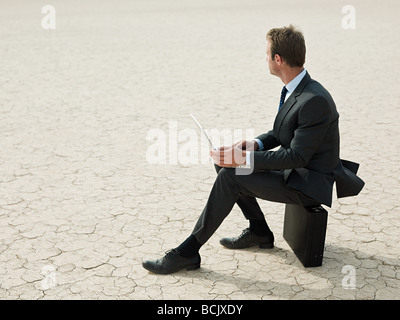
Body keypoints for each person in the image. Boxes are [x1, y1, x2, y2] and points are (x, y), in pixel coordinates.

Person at [142, 25, 364, 275]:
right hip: (294, 171)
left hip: (307, 184)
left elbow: (296, 156)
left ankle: (187, 252)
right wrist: (254, 145)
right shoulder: (298, 89)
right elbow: (282, 133)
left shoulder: (315, 100)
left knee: (230, 176)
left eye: (267, 53)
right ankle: (259, 230)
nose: (265, 58)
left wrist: (243, 159)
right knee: (225, 164)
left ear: (278, 60)